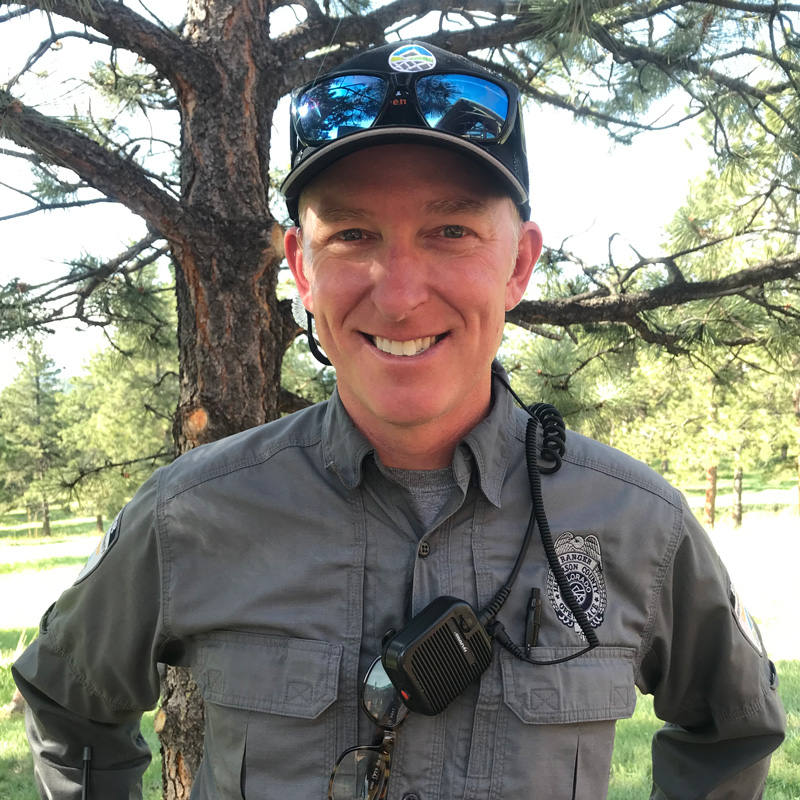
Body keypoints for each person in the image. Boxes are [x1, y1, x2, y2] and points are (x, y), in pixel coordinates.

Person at [14, 40, 785, 800]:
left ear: (519, 264)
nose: (400, 293)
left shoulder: (640, 524)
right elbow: (64, 698)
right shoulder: (190, 513)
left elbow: (736, 730)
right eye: (353, 235)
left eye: (451, 233)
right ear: (301, 267)